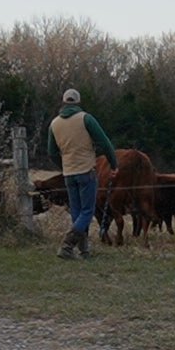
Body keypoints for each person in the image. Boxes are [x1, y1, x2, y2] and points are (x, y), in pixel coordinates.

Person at [46, 88, 118, 260]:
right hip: (86, 170)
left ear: (63, 102)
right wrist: (114, 164)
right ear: (78, 102)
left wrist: (63, 165)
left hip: (69, 174)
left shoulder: (54, 124)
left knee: (77, 213)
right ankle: (67, 245)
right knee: (87, 211)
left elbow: (51, 152)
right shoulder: (86, 118)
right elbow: (105, 143)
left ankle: (84, 251)